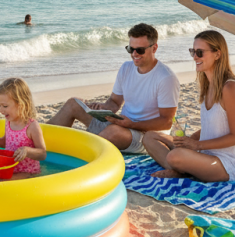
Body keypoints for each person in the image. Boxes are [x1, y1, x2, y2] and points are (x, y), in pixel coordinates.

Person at [47, 23, 179, 153]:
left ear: (154, 48)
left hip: (147, 137)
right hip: (122, 125)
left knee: (112, 132)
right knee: (73, 104)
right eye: (130, 49)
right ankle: (41, 142)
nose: (134, 54)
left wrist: (131, 124)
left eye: (139, 50)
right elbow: (115, 102)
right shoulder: (126, 68)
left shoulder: (166, 78)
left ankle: (76, 156)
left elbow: (166, 122)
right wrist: (103, 109)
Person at [144, 30, 235, 181]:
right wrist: (189, 140)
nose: (195, 57)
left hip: (229, 163)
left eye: (200, 52)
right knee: (150, 137)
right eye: (193, 52)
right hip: (206, 153)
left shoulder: (230, 88)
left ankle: (180, 169)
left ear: (217, 54)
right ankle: (181, 169)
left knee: (175, 155)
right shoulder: (208, 86)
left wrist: (197, 145)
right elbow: (214, 127)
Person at [0, 78, 46, 175]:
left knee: (0, 183)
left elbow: (42, 154)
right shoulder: (9, 121)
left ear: (21, 105)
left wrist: (27, 150)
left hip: (27, 172)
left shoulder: (31, 126)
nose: (1, 110)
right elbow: (7, 142)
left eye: (5, 106)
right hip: (9, 167)